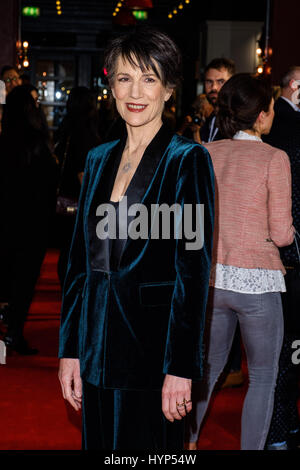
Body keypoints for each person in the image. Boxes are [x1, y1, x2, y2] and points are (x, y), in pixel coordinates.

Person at [58, 27, 215, 451]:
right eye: (124, 78)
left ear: (168, 90)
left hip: (152, 355)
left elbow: (193, 272)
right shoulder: (98, 158)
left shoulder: (187, 160)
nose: (135, 90)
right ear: (110, 86)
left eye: (149, 78)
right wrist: (70, 350)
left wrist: (181, 368)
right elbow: (77, 265)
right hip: (94, 350)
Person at [186, 73, 294, 450]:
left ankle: (188, 441)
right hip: (259, 284)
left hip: (213, 280)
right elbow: (281, 234)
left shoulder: (207, 152)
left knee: (207, 369)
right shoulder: (274, 158)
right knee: (263, 376)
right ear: (263, 115)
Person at [0, 85, 58, 354]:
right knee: (24, 280)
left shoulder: (4, 140)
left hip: (7, 220)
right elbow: (48, 185)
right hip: (31, 222)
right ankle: (14, 332)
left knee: (7, 274)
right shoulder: (37, 143)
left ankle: (9, 327)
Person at [263, 66, 300, 450]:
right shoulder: (289, 127)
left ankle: (282, 428)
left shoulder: (281, 127)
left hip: (283, 255)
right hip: (289, 254)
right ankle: (280, 430)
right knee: (288, 349)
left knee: (285, 349)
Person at [54, 87, 101, 287]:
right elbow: (82, 171)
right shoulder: (85, 131)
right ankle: (72, 285)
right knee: (77, 247)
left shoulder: (66, 126)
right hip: (79, 198)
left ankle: (68, 283)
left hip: (66, 194)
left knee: (68, 246)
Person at [199, 58, 235, 143]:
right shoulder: (206, 120)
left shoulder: (237, 121)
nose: (214, 87)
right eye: (209, 81)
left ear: (232, 83)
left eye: (221, 81)